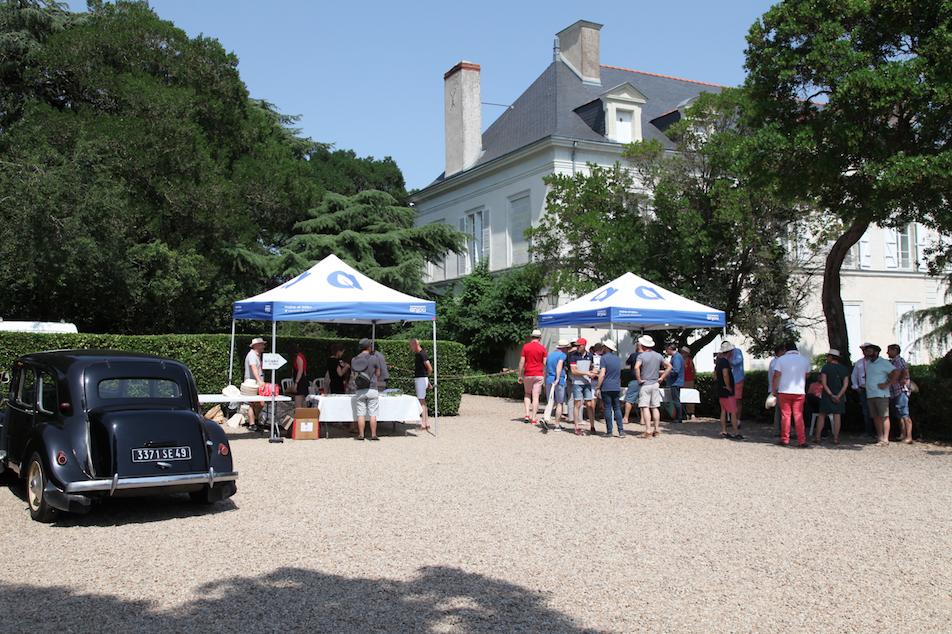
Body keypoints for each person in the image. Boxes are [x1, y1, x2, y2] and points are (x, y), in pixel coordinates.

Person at [772, 342, 812, 447]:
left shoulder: (781, 360)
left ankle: (785, 439)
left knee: (786, 415)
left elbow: (776, 375)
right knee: (798, 415)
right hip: (799, 391)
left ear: (786, 349)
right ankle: (801, 440)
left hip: (784, 390)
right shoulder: (804, 360)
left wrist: (774, 389)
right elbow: (807, 375)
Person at [862, 343, 898, 445]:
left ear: (876, 352)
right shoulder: (868, 363)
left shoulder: (883, 362)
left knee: (884, 416)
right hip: (870, 393)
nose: (867, 353)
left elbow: (895, 372)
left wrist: (887, 384)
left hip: (881, 394)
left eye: (869, 351)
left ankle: (886, 438)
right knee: (875, 417)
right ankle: (880, 437)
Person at [635, 335, 670, 438]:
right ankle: (657, 429)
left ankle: (648, 430)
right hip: (655, 383)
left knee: (645, 407)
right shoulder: (658, 355)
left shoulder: (641, 356)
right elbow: (669, 367)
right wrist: (662, 377)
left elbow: (636, 367)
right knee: (655, 407)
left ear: (643, 345)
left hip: (645, 383)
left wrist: (639, 379)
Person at [350, 338, 382, 441]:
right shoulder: (374, 358)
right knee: (373, 413)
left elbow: (353, 375)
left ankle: (361, 435)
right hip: (372, 388)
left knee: (360, 413)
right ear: (369, 346)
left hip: (360, 389)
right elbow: (378, 373)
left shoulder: (354, 359)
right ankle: (373, 435)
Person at [817, 349, 849, 444]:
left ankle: (818, 437)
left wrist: (830, 394)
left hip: (827, 395)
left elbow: (824, 382)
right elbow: (845, 384)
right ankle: (836, 438)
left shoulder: (826, 367)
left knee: (822, 415)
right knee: (837, 415)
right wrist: (838, 395)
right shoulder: (844, 369)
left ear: (831, 357)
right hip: (840, 395)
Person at [567, 337, 597, 435]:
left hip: (587, 383)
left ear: (584, 346)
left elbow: (592, 367)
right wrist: (587, 373)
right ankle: (577, 426)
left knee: (589, 404)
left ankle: (592, 426)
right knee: (577, 404)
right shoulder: (573, 356)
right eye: (576, 345)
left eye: (579, 345)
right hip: (577, 383)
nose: (577, 347)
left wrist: (594, 372)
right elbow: (574, 371)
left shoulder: (590, 355)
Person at [517, 329, 547, 425]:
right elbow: (545, 363)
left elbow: (522, 362)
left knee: (527, 394)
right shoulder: (543, 348)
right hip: (538, 374)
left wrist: (520, 375)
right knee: (536, 397)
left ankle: (526, 415)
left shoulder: (526, 347)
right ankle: (534, 418)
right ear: (540, 338)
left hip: (528, 374)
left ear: (531, 337)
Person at [596, 340, 624, 437]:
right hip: (616, 385)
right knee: (617, 408)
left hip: (607, 386)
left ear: (606, 348)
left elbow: (602, 374)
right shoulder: (617, 359)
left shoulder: (603, 359)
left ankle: (609, 431)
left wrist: (598, 387)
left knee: (607, 408)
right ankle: (621, 431)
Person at [886, 344, 913, 444]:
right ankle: (903, 434)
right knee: (899, 414)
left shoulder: (899, 361)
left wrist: (903, 379)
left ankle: (909, 436)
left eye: (889, 350)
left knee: (905, 413)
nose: (887, 353)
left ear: (895, 350)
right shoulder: (892, 362)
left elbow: (900, 373)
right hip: (894, 391)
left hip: (900, 390)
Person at [544, 340, 570, 430]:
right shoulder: (562, 355)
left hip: (549, 379)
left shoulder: (550, 355)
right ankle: (557, 425)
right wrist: (558, 378)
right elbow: (559, 366)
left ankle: (546, 419)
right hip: (558, 381)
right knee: (560, 403)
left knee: (550, 401)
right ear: (564, 348)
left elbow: (546, 367)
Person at [715, 345, 740, 439]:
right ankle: (736, 432)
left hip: (720, 389)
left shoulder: (719, 362)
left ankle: (724, 430)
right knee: (733, 411)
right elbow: (725, 374)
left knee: (723, 410)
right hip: (726, 390)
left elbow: (715, 376)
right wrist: (728, 386)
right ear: (729, 352)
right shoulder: (725, 362)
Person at [850, 344, 875, 437]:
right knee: (866, 411)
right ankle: (868, 431)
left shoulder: (875, 362)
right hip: (863, 389)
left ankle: (877, 431)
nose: (865, 352)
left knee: (875, 410)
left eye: (867, 350)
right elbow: (854, 375)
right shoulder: (859, 363)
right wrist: (856, 387)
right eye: (864, 350)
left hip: (874, 389)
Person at [409, 338, 432, 432]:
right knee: (423, 401)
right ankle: (426, 422)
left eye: (411, 345)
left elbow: (429, 368)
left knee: (421, 401)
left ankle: (423, 424)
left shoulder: (422, 354)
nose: (410, 348)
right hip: (422, 379)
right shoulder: (419, 354)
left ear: (415, 344)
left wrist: (426, 377)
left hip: (421, 379)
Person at [244, 337, 266, 422]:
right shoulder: (252, 355)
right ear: (257, 345)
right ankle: (252, 423)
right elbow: (253, 368)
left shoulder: (256, 355)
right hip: (252, 383)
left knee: (257, 403)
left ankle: (254, 422)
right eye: (262, 344)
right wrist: (259, 381)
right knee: (254, 403)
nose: (263, 346)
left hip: (255, 382)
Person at [767, 344, 786, 435]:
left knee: (780, 411)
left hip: (776, 388)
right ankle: (780, 430)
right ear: (780, 352)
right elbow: (776, 376)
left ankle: (779, 430)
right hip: (779, 388)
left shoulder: (773, 361)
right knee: (781, 411)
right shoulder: (777, 362)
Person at [664, 342, 685, 424]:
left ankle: (679, 417)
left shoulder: (676, 358)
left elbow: (675, 371)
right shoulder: (676, 357)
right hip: (676, 382)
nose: (666, 352)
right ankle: (680, 416)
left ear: (670, 349)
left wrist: (666, 372)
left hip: (675, 382)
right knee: (676, 400)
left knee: (676, 400)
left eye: (666, 350)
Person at [726, 342, 745, 428]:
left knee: (737, 400)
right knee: (730, 400)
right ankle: (732, 419)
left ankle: (738, 420)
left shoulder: (737, 352)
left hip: (737, 379)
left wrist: (727, 359)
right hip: (730, 380)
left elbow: (736, 362)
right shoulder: (728, 354)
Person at [622, 347, 641, 426]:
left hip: (634, 379)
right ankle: (643, 419)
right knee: (644, 401)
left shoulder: (633, 355)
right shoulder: (648, 355)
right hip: (645, 379)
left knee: (629, 399)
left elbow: (627, 363)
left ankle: (626, 418)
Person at [287, 343, 308, 409]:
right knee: (303, 402)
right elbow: (304, 371)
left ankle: (299, 417)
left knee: (298, 404)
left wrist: (296, 382)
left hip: (300, 381)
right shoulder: (301, 356)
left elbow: (300, 370)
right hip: (302, 380)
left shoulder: (298, 357)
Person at [681, 346, 696, 419]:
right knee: (684, 397)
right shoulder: (680, 360)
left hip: (689, 380)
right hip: (683, 380)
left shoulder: (690, 360)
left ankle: (692, 412)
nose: (682, 354)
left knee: (691, 396)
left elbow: (693, 370)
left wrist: (693, 378)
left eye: (684, 353)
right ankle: (685, 412)